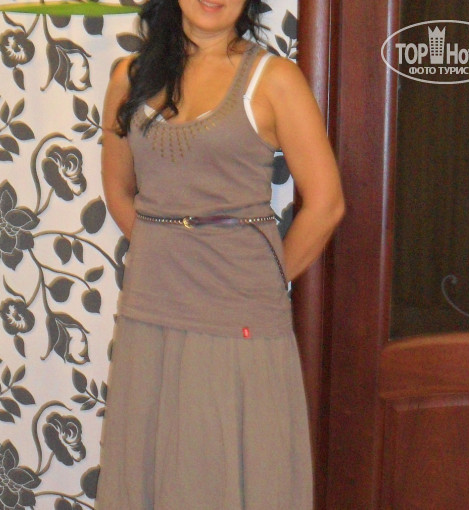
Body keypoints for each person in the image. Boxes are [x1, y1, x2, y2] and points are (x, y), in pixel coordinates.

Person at [95, 0, 344, 508]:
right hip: (151, 308)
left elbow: (326, 205)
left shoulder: (274, 79)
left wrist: (265, 280)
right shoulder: (129, 77)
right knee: (147, 470)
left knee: (229, 470)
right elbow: (119, 190)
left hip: (239, 314)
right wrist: (168, 251)